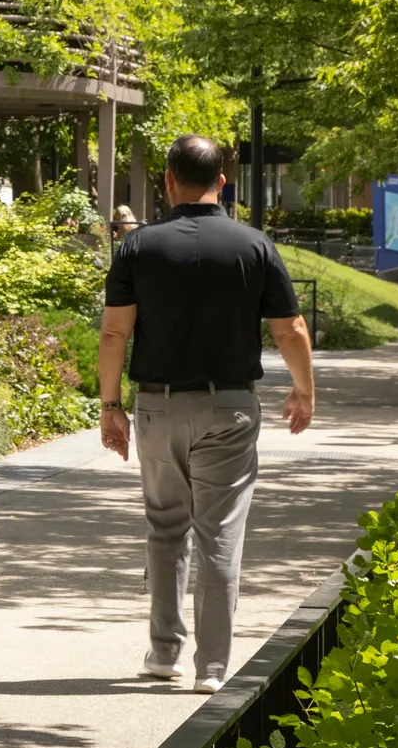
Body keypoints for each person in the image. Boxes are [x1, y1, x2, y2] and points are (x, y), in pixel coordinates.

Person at [97, 135, 316, 694]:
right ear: (223, 182)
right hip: (229, 407)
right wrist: (303, 391)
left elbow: (115, 331)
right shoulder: (254, 245)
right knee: (219, 534)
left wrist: (110, 407)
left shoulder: (137, 248)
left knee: (165, 527)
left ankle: (164, 651)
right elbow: (289, 329)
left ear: (168, 180)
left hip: (157, 408)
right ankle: (212, 668)